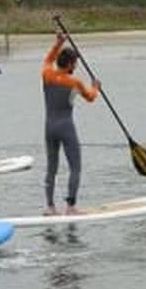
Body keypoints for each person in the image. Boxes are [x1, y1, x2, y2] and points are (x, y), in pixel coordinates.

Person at [41, 32, 100, 216]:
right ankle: (71, 207)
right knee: (75, 167)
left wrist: (58, 43)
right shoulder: (75, 82)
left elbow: (48, 59)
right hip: (66, 127)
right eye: (75, 62)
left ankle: (50, 207)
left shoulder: (47, 74)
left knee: (52, 168)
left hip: (49, 127)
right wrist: (96, 87)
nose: (76, 65)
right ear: (69, 64)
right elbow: (90, 98)